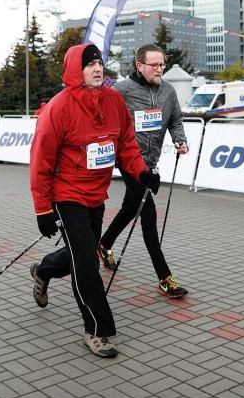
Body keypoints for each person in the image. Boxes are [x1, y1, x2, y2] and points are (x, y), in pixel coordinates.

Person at [28, 43, 158, 358]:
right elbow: (40, 162)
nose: (97, 69)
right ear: (76, 70)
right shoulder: (59, 108)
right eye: (89, 65)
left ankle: (44, 271)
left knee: (80, 252)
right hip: (66, 194)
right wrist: (43, 209)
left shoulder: (113, 101)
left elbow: (126, 144)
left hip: (96, 194)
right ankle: (97, 331)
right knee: (87, 262)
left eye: (99, 63)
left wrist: (141, 173)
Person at [97, 44, 190, 298]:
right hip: (129, 161)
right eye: (154, 65)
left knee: (131, 207)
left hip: (151, 163)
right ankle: (165, 278)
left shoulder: (168, 91)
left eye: (162, 64)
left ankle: (103, 245)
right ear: (140, 66)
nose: (160, 69)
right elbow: (100, 113)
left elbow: (176, 120)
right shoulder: (122, 90)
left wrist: (179, 139)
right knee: (148, 215)